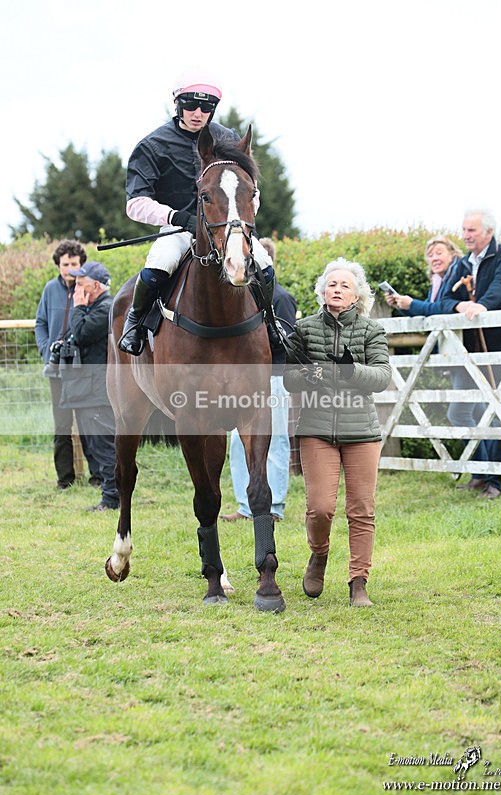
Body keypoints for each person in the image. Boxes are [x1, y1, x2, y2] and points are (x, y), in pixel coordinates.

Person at [119, 70, 274, 356]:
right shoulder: (152, 146)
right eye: (190, 105)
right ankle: (135, 324)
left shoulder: (228, 138)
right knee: (160, 264)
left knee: (264, 265)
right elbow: (135, 203)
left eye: (207, 107)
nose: (198, 112)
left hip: (225, 228)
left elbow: (249, 191)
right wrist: (176, 218)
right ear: (177, 104)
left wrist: (237, 218)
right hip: (178, 229)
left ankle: (273, 326)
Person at [283, 258, 391, 606]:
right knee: (320, 508)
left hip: (362, 432)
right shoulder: (304, 330)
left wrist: (351, 371)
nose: (338, 290)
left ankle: (358, 582)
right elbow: (288, 378)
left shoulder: (371, 330)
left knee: (361, 509)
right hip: (316, 430)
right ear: (323, 291)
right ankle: (319, 555)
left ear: (357, 294)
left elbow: (382, 377)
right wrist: (308, 374)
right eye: (332, 284)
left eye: (345, 285)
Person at [439, 208, 501, 499]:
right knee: (482, 412)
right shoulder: (464, 263)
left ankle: (497, 481)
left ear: (488, 232)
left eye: (471, 230)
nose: (465, 235)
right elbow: (447, 298)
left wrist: (482, 306)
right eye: (463, 230)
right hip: (477, 349)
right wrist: (460, 306)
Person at [221, 238, 297, 522]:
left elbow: (286, 340)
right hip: (240, 380)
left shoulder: (281, 297)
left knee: (274, 440)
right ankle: (245, 505)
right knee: (238, 444)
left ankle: (274, 506)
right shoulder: (237, 300)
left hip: (273, 375)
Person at [35, 240, 99, 490]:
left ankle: (98, 476)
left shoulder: (90, 288)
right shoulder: (50, 289)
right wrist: (44, 349)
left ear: (81, 264)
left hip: (82, 368)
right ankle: (65, 480)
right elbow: (40, 323)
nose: (70, 268)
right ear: (58, 265)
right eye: (65, 264)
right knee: (62, 426)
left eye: (74, 264)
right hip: (56, 368)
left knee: (88, 423)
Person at [59, 261, 119, 512]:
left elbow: (81, 333)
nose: (75, 290)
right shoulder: (95, 306)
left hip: (98, 390)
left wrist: (78, 308)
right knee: (94, 444)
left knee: (103, 444)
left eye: (80, 284)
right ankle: (111, 495)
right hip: (88, 388)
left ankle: (112, 498)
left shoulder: (105, 308)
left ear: (95, 286)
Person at [384, 235, 463, 315]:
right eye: (430, 255)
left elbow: (444, 307)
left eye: (439, 253)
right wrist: (401, 305)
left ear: (453, 254)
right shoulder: (438, 281)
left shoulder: (457, 274)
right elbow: (426, 310)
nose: (434, 258)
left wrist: (412, 304)